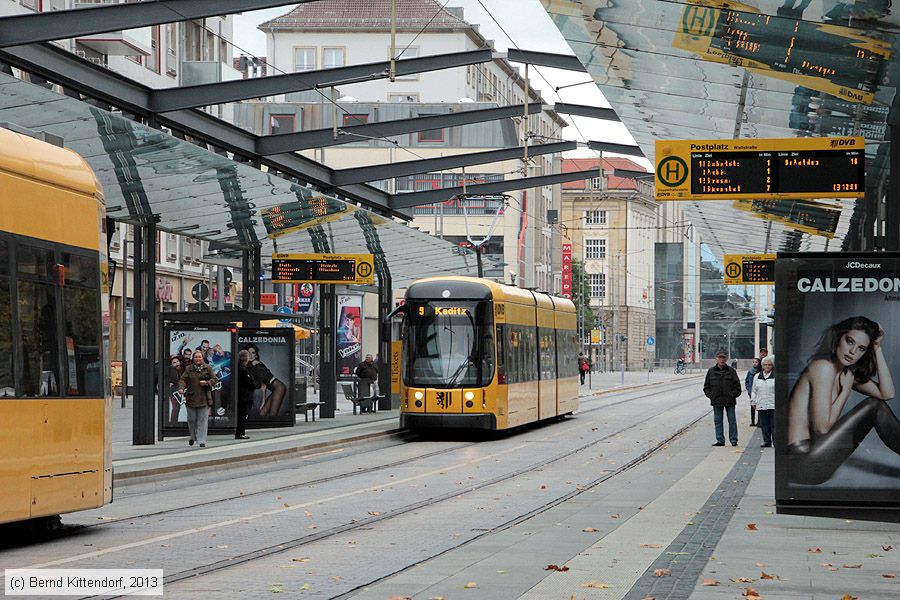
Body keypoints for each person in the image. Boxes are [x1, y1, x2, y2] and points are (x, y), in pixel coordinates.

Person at [786, 316, 900, 485]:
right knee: (873, 406)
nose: (853, 352)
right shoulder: (823, 367)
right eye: (850, 341)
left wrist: (876, 348)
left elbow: (887, 393)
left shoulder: (845, 373)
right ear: (838, 337)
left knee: (877, 403)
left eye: (861, 348)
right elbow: (822, 428)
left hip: (815, 457)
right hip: (803, 462)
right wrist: (845, 390)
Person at [178, 350, 218, 448]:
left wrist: (207, 383)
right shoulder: (189, 369)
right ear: (193, 358)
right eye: (196, 357)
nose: (198, 359)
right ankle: (193, 436)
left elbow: (215, 379)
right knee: (191, 419)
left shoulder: (208, 368)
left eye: (199, 357)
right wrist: (181, 388)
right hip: (191, 398)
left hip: (204, 398)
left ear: (202, 358)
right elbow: (183, 379)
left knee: (202, 420)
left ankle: (201, 440)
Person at [704, 349, 742, 447]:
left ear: (726, 359)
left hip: (729, 401)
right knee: (718, 421)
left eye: (723, 358)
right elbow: (706, 387)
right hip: (716, 401)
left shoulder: (731, 371)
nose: (721, 359)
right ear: (716, 359)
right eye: (720, 357)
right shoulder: (711, 371)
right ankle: (720, 440)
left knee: (732, 421)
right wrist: (711, 395)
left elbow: (737, 387)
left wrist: (732, 395)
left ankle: (733, 440)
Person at [243, 343, 287, 417]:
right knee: (262, 413)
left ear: (256, 355)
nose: (250, 355)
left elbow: (261, 383)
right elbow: (263, 385)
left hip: (279, 387)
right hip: (275, 389)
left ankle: (275, 426)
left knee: (273, 413)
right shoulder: (249, 367)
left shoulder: (258, 365)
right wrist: (263, 401)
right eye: (248, 353)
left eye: (253, 353)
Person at [752, 355, 775, 447]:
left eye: (769, 365)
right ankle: (767, 441)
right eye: (765, 365)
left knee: (774, 424)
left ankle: (775, 441)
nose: (767, 366)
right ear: (762, 366)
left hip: (773, 404)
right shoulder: (757, 376)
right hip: (761, 403)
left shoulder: (775, 376)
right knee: (764, 424)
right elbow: (754, 390)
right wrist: (753, 401)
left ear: (772, 366)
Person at [234, 349, 254, 440]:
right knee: (242, 414)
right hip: (244, 396)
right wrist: (254, 384)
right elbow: (250, 383)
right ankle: (240, 433)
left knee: (242, 414)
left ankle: (241, 432)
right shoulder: (243, 370)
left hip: (241, 395)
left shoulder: (238, 368)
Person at [167, 355, 183, 423]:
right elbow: (175, 379)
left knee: (177, 407)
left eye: (177, 361)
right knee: (176, 407)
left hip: (180, 389)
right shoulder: (171, 369)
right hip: (174, 390)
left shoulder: (182, 368)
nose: (177, 363)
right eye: (174, 362)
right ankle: (173, 422)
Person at [745, 357, 761, 426]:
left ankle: (759, 421)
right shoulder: (750, 371)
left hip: (759, 392)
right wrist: (748, 389)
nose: (754, 363)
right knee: (752, 406)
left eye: (756, 362)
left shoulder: (761, 372)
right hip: (751, 391)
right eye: (753, 362)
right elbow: (747, 381)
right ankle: (752, 421)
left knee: (760, 407)